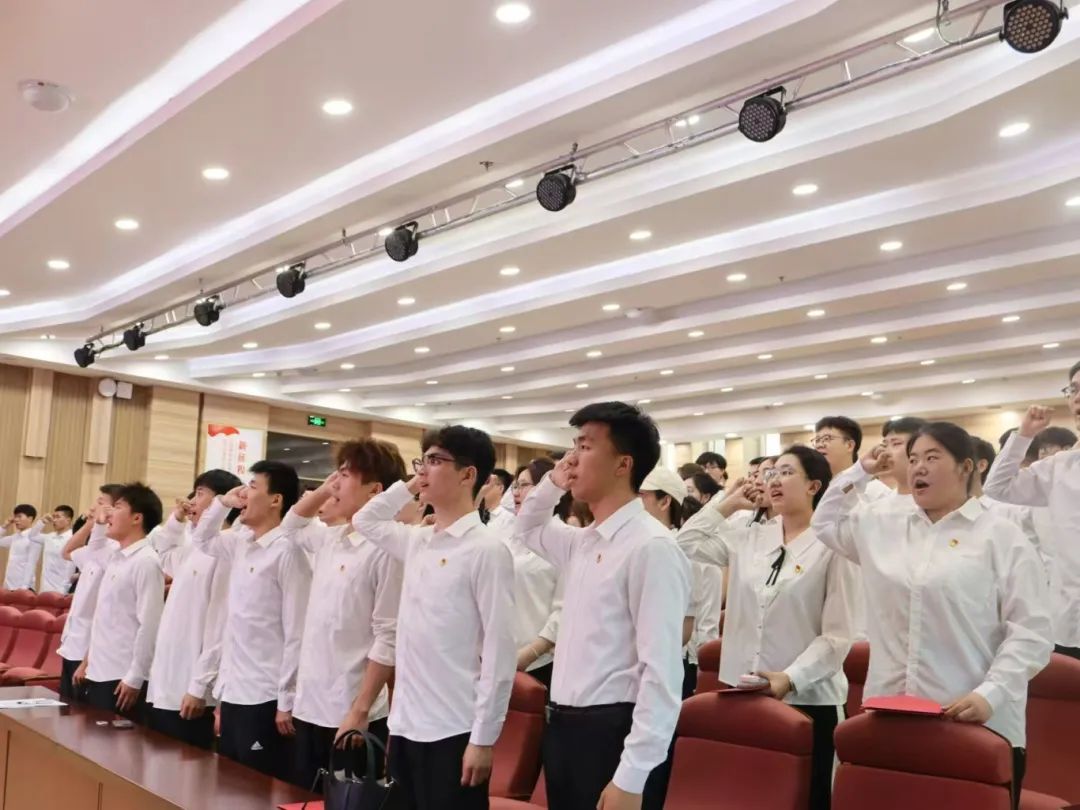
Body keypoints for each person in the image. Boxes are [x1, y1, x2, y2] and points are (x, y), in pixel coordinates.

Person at [814, 421, 1053, 809]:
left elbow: (1031, 633)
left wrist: (990, 694)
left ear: (966, 467)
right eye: (912, 459)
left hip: (973, 720)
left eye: (932, 457)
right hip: (889, 714)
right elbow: (825, 523)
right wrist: (860, 471)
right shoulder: (883, 526)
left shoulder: (1001, 536)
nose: (918, 468)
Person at [516, 402, 691, 810]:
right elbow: (527, 527)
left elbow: (662, 672)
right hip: (564, 727)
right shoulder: (583, 541)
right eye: (573, 445)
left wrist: (633, 774)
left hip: (613, 733)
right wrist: (552, 483)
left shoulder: (651, 547)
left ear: (623, 464)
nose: (572, 458)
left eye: (586, 446)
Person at [678, 445, 855, 810]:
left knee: (808, 800)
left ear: (814, 486)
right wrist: (728, 503)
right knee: (747, 796)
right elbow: (684, 543)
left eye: (787, 473)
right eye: (771, 473)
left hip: (808, 700)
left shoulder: (833, 544)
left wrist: (789, 678)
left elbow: (837, 636)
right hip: (743, 694)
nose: (774, 480)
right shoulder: (751, 537)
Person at [353, 425, 516, 810]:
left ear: (468, 474)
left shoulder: (487, 550)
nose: (424, 469)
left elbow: (499, 651)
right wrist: (413, 483)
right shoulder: (418, 540)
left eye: (436, 461)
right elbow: (365, 520)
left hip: (454, 727)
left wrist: (484, 738)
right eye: (421, 461)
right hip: (405, 723)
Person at [279, 440, 406, 792]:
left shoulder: (386, 550)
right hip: (310, 703)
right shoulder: (330, 538)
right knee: (302, 797)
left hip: (350, 711)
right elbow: (291, 525)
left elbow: (387, 636)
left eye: (346, 475)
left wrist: (359, 711)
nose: (336, 482)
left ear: (375, 491)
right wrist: (326, 488)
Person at [191, 460, 312, 781]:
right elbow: (202, 539)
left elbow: (297, 632)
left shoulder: (288, 552)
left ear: (276, 500)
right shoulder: (241, 541)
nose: (244, 494)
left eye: (253, 487)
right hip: (233, 688)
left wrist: (286, 700)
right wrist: (222, 503)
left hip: (264, 694)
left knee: (254, 787)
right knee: (227, 783)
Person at [144, 469, 241, 749]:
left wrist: (199, 687)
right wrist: (176, 520)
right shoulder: (195, 548)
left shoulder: (226, 551)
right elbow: (165, 555)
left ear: (222, 501)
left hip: (191, 686)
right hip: (167, 677)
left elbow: (220, 626)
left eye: (200, 494)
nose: (192, 501)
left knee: (185, 767)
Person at [985, 394, 1080, 661]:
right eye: (1074, 390)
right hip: (1067, 621)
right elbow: (997, 487)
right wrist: (1024, 435)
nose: (1077, 398)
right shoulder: (1061, 467)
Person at [74, 483, 165, 721]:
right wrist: (87, 660)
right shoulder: (116, 556)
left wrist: (135, 676)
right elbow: (94, 549)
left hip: (120, 676)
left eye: (118, 507)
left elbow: (150, 624)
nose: (110, 513)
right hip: (99, 670)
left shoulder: (146, 561)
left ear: (136, 518)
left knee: (115, 743)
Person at [57, 484, 125, 701]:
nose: (94, 506)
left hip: (89, 645)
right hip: (72, 641)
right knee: (65, 705)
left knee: (81, 712)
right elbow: (67, 552)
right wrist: (90, 523)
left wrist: (88, 659)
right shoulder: (96, 547)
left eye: (100, 502)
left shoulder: (115, 550)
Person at [505, 458, 567, 691]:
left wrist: (531, 653)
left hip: (539, 662)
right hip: (498, 655)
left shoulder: (564, 537)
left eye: (524, 485)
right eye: (515, 486)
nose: (516, 492)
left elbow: (564, 608)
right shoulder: (508, 535)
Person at [812, 416, 891, 500]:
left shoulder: (876, 491)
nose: (819, 445)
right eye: (817, 440)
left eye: (827, 439)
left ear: (849, 445)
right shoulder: (814, 489)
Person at [28, 505, 77, 593]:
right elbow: (32, 536)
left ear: (68, 520)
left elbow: (70, 567)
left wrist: (65, 589)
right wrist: (42, 522)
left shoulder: (73, 538)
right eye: (53, 517)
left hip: (62, 589)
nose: (54, 520)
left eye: (58, 517)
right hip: (44, 588)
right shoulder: (49, 537)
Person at [878, 417, 927, 501]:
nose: (885, 452)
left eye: (896, 444)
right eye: (884, 445)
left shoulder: (942, 503)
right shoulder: (876, 505)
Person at [1, 504, 42, 591]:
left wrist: (24, 587)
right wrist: (4, 526)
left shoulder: (34, 538)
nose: (16, 520)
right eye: (15, 517)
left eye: (19, 516)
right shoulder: (15, 537)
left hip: (23, 588)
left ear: (30, 518)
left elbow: (31, 564)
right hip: (8, 586)